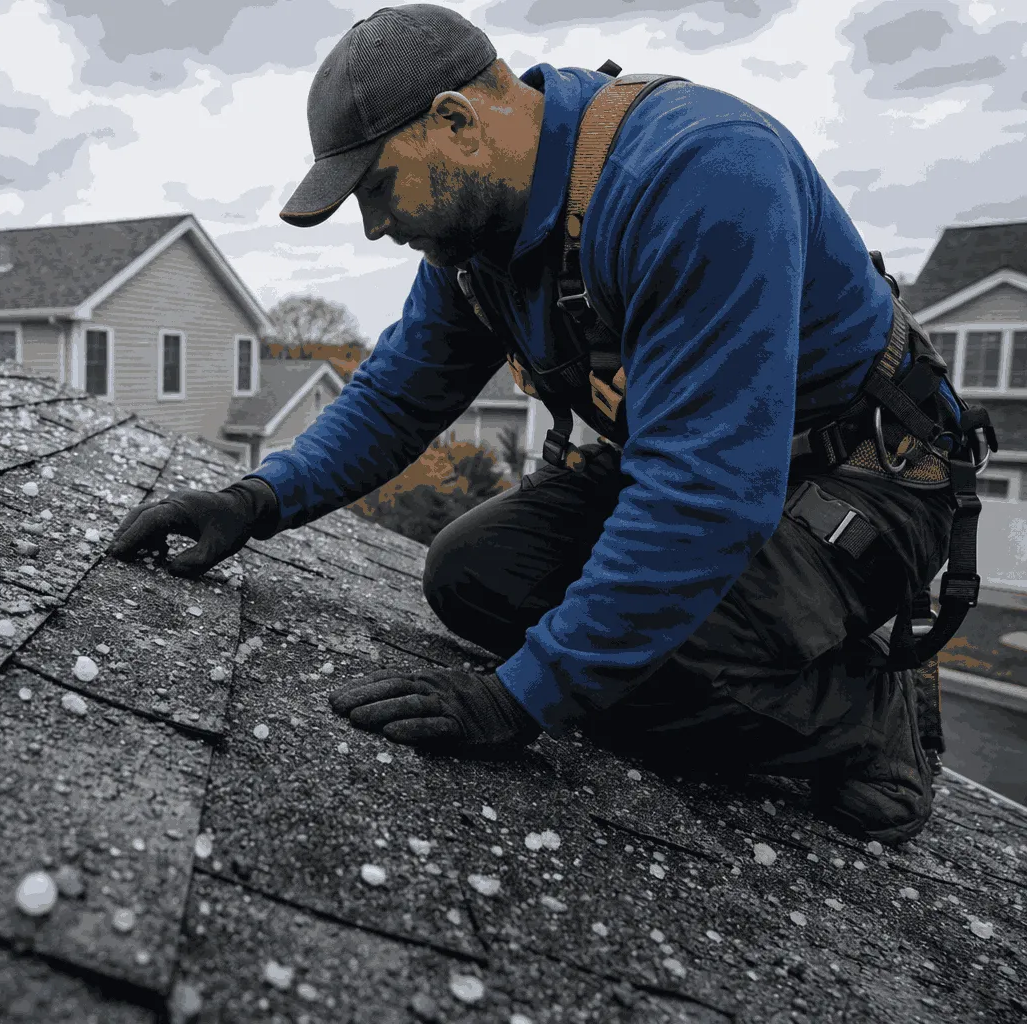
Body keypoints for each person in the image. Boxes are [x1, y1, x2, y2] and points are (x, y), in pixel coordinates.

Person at [108, 4, 992, 844]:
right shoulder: (479, 237)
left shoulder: (701, 173)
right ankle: (746, 650)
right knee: (472, 576)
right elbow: (393, 397)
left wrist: (518, 700)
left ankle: (874, 718)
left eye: (379, 188)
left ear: (457, 120)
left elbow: (707, 498)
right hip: (698, 467)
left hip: (863, 481)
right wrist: (254, 501)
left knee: (658, 655)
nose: (377, 227)